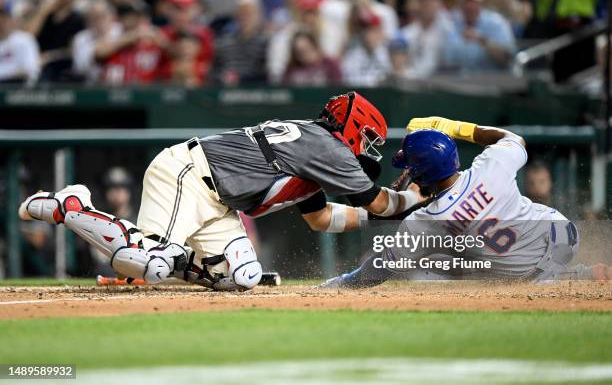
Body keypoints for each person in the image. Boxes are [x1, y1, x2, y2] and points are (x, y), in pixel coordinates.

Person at [19, 92, 420, 291]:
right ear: (353, 126)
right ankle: (71, 207)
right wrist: (414, 202)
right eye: (367, 138)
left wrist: (384, 212)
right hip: (189, 174)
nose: (367, 150)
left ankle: (185, 262)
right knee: (152, 264)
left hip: (218, 201)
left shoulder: (314, 155)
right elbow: (381, 203)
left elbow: (323, 218)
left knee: (242, 277)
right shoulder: (326, 146)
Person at [321, 116, 606, 288]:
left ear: (422, 173)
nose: (405, 171)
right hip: (563, 233)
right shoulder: (490, 164)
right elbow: (513, 138)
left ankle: (567, 279)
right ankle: (575, 276)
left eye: (408, 167)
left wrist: (341, 284)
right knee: (451, 254)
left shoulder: (427, 221)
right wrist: (456, 127)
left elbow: (379, 269)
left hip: (527, 276)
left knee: (432, 263)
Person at [442, 0, 515, 73]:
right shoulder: (450, 22)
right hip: (457, 82)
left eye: (474, 1)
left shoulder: (497, 23)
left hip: (492, 82)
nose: (470, 6)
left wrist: (482, 40)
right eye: (466, 1)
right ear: (460, 3)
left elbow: (508, 58)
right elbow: (444, 59)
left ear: (481, 2)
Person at [23, 0, 85, 82]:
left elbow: (74, 50)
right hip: (37, 64)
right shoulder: (46, 14)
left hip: (62, 66)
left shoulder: (78, 18)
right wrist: (42, 12)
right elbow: (27, 36)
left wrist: (50, 57)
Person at [97, 5, 166, 85]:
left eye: (144, 19)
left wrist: (160, 40)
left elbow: (175, 52)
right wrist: (133, 36)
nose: (141, 23)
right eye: (137, 18)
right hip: (116, 89)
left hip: (147, 91)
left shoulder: (156, 39)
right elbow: (98, 52)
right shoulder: (116, 36)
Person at [158, 0, 214, 84]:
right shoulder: (161, 33)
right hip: (166, 82)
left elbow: (208, 63)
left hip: (199, 82)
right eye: (176, 8)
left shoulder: (203, 34)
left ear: (193, 10)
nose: (180, 13)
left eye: (185, 9)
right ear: (168, 10)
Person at [213, 0, 268, 86]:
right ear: (235, 15)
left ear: (259, 15)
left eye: (250, 13)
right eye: (242, 13)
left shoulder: (267, 43)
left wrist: (240, 79)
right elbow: (214, 70)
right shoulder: (222, 43)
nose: (245, 17)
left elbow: (267, 73)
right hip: (225, 92)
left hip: (256, 92)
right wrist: (222, 77)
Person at [401, 0, 451, 78]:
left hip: (442, 84)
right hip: (412, 83)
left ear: (440, 2)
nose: (427, 3)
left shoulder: (448, 29)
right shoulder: (407, 33)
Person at [72, 0, 122, 83]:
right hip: (92, 85)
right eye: (93, 17)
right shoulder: (81, 37)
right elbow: (80, 67)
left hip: (123, 84)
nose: (98, 21)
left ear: (112, 16)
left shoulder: (122, 30)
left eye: (102, 16)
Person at [342, 11, 390, 86]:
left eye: (374, 30)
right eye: (366, 30)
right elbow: (350, 83)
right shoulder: (353, 54)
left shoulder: (384, 53)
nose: (368, 35)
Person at [0, 7, 39, 84]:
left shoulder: (25, 40)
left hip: (17, 86)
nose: (1, 25)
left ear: (10, 21)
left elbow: (30, 70)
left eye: (4, 21)